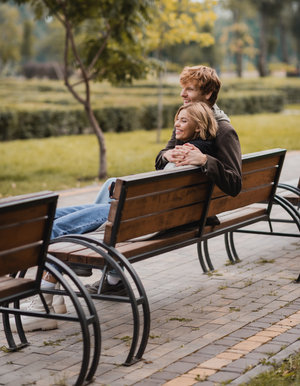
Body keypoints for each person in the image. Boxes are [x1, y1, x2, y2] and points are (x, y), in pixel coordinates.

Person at [13, 99, 221, 332]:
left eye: (183, 120)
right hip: (146, 216)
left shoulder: (188, 153)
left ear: (199, 127)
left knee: (55, 229)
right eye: (176, 119)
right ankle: (53, 296)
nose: (176, 125)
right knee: (57, 217)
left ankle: (43, 304)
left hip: (139, 220)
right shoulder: (198, 153)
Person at [155, 65, 242, 197]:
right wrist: (167, 155)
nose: (182, 94)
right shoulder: (186, 123)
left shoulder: (224, 130)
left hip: (198, 210)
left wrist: (204, 160)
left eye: (189, 89)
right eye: (182, 88)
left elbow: (234, 184)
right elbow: (160, 160)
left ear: (208, 93)